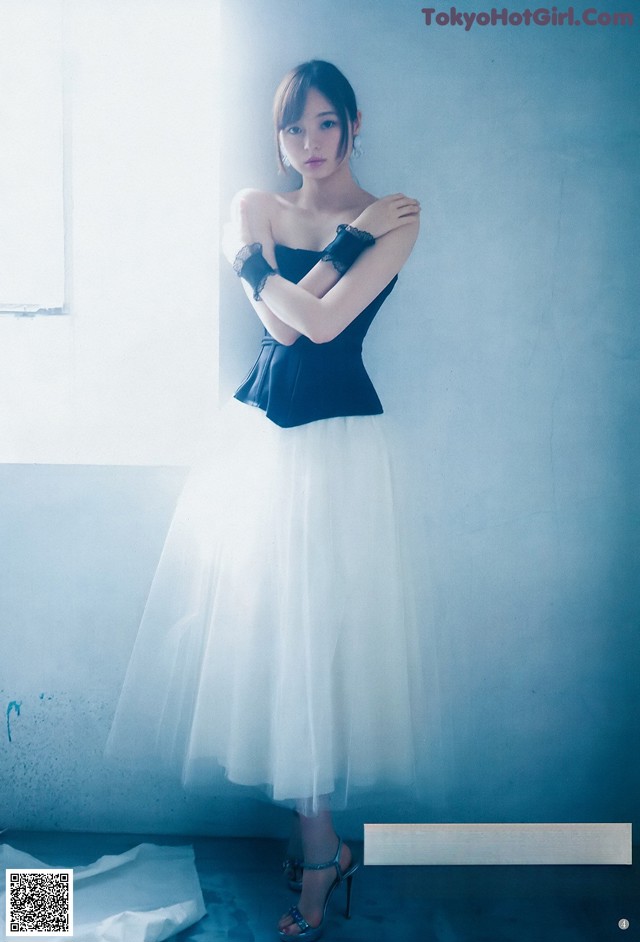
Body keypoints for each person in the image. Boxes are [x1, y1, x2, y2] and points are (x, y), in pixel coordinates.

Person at [106, 60, 425, 941]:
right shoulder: (256, 205)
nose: (309, 146)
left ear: (354, 124)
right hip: (260, 443)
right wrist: (315, 259)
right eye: (293, 129)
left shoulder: (395, 216)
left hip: (341, 450)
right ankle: (321, 845)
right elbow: (283, 329)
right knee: (274, 638)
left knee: (319, 644)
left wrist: (290, 261)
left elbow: (311, 326)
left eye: (325, 125)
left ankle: (321, 854)